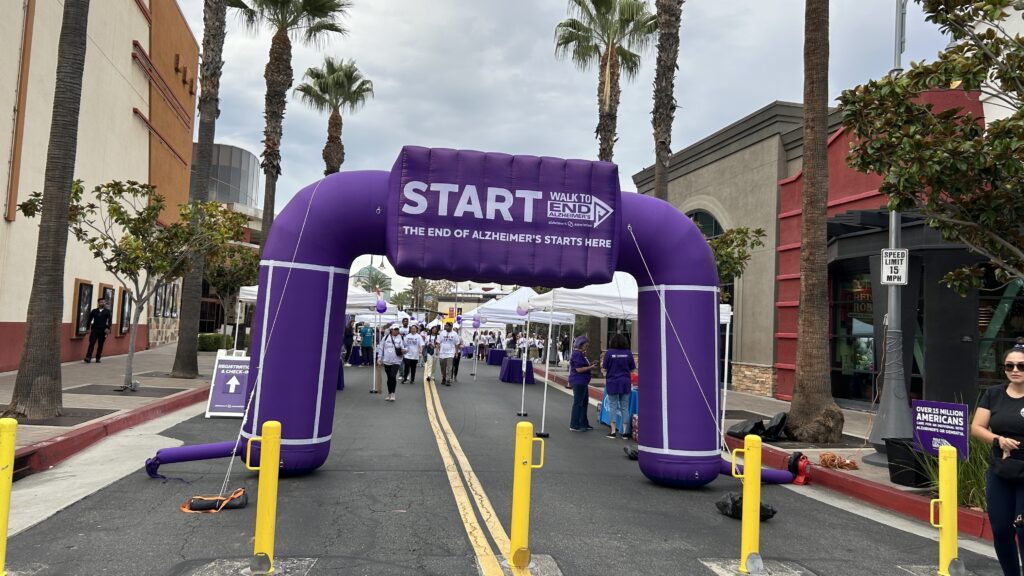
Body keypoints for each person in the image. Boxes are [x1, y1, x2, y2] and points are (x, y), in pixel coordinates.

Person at [971, 338, 1024, 575]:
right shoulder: (994, 394)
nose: (1015, 370)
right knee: (1002, 529)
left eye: (1021, 366)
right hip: (1001, 469)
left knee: (1023, 529)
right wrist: (998, 440)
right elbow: (977, 427)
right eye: (1009, 366)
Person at [602, 334, 636, 439]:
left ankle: (613, 431)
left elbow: (604, 368)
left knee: (613, 405)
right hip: (625, 382)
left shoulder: (609, 353)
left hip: (612, 381)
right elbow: (632, 369)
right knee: (625, 407)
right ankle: (625, 432)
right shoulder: (628, 353)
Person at [569, 336, 597, 432]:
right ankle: (574, 424)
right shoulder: (577, 354)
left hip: (582, 381)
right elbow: (579, 369)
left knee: (584, 402)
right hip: (578, 381)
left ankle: (583, 423)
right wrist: (591, 367)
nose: (586, 347)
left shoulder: (581, 354)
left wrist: (590, 364)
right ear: (581, 344)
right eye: (585, 345)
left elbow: (582, 366)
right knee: (578, 403)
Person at [376, 324, 405, 402]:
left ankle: (393, 393)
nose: (396, 331)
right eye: (395, 329)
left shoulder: (401, 337)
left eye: (397, 329)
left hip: (396, 361)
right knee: (389, 378)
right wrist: (379, 358)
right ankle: (389, 393)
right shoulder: (385, 337)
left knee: (393, 376)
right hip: (387, 360)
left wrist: (404, 350)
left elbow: (405, 347)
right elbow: (381, 348)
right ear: (391, 330)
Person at [84, 298, 112, 364]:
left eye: (104, 302)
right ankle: (88, 357)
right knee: (92, 342)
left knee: (100, 344)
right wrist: (88, 328)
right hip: (94, 329)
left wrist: (108, 328)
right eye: (101, 302)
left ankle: (98, 358)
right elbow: (89, 320)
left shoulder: (107, 311)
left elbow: (109, 321)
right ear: (98, 303)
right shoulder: (94, 311)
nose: (103, 303)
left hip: (103, 330)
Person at [437, 322, 461, 386]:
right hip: (442, 352)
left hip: (450, 353)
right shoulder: (442, 333)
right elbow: (438, 342)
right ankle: (444, 377)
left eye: (447, 326)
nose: (446, 327)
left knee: (449, 367)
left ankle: (448, 380)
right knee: (442, 366)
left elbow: (457, 344)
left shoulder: (455, 334)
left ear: (451, 327)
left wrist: (456, 353)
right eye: (445, 326)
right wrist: (437, 350)